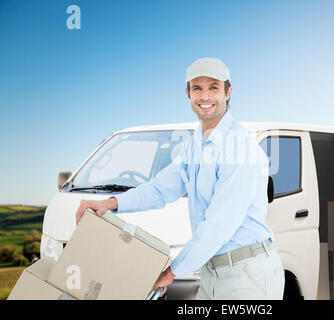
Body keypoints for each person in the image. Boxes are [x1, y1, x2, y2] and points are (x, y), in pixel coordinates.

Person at [75, 57, 285, 299]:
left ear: (228, 92)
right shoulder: (195, 144)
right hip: (212, 273)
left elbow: (219, 224)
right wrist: (110, 203)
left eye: (213, 88)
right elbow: (160, 189)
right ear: (188, 93)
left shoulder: (240, 148)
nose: (205, 96)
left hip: (248, 277)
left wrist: (172, 271)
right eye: (197, 88)